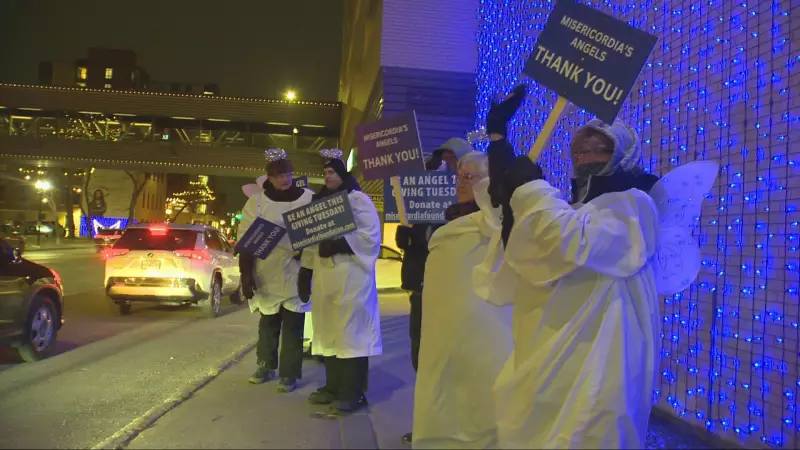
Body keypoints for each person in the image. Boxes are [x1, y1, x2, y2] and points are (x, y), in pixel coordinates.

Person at [476, 84, 662, 449]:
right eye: (581, 148)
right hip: (550, 340)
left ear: (621, 154)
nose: (587, 155)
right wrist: (500, 144)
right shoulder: (572, 206)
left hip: (600, 350)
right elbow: (523, 243)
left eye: (600, 148)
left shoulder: (633, 202)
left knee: (589, 427)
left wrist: (532, 189)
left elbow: (572, 242)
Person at [411, 151, 513, 449]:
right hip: (443, 324)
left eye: (469, 177)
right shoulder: (453, 218)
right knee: (445, 390)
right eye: (459, 177)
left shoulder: (497, 220)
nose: (460, 183)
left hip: (484, 326)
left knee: (479, 392)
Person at [395, 137, 471, 444]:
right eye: (446, 160)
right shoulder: (429, 197)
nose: (450, 167)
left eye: (455, 161)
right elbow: (422, 240)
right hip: (422, 290)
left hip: (454, 295)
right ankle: (429, 422)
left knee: (451, 363)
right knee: (422, 359)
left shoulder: (473, 206)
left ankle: (455, 426)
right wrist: (409, 240)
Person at [297, 149, 382, 414]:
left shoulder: (358, 200)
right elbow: (311, 240)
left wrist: (341, 244)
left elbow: (370, 237)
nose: (327, 176)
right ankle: (333, 386)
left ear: (342, 173)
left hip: (351, 277)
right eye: (324, 173)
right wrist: (306, 271)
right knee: (329, 332)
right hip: (326, 280)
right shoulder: (320, 201)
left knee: (350, 334)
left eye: (332, 171)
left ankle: (353, 392)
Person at [238, 149, 314, 392]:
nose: (285, 179)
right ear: (269, 178)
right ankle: (265, 365)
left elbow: (317, 233)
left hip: (296, 272)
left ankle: (289, 373)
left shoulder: (308, 198)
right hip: (267, 272)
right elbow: (247, 238)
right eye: (280, 175)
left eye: (288, 174)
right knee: (268, 323)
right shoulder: (257, 202)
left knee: (293, 325)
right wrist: (246, 274)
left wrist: (307, 255)